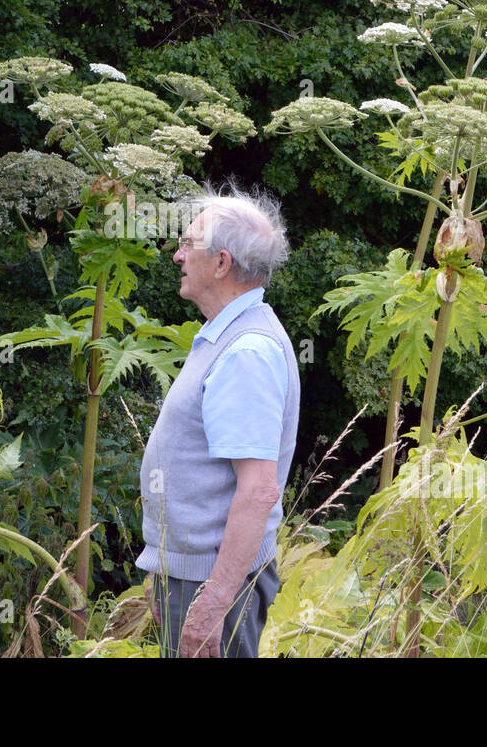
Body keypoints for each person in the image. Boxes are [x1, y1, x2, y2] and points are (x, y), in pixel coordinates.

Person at [137, 185, 300, 658]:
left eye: (188, 244)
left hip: (212, 584)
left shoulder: (246, 352)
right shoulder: (227, 336)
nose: (177, 256)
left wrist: (212, 604)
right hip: (196, 576)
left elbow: (258, 491)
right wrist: (166, 567)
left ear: (222, 263)